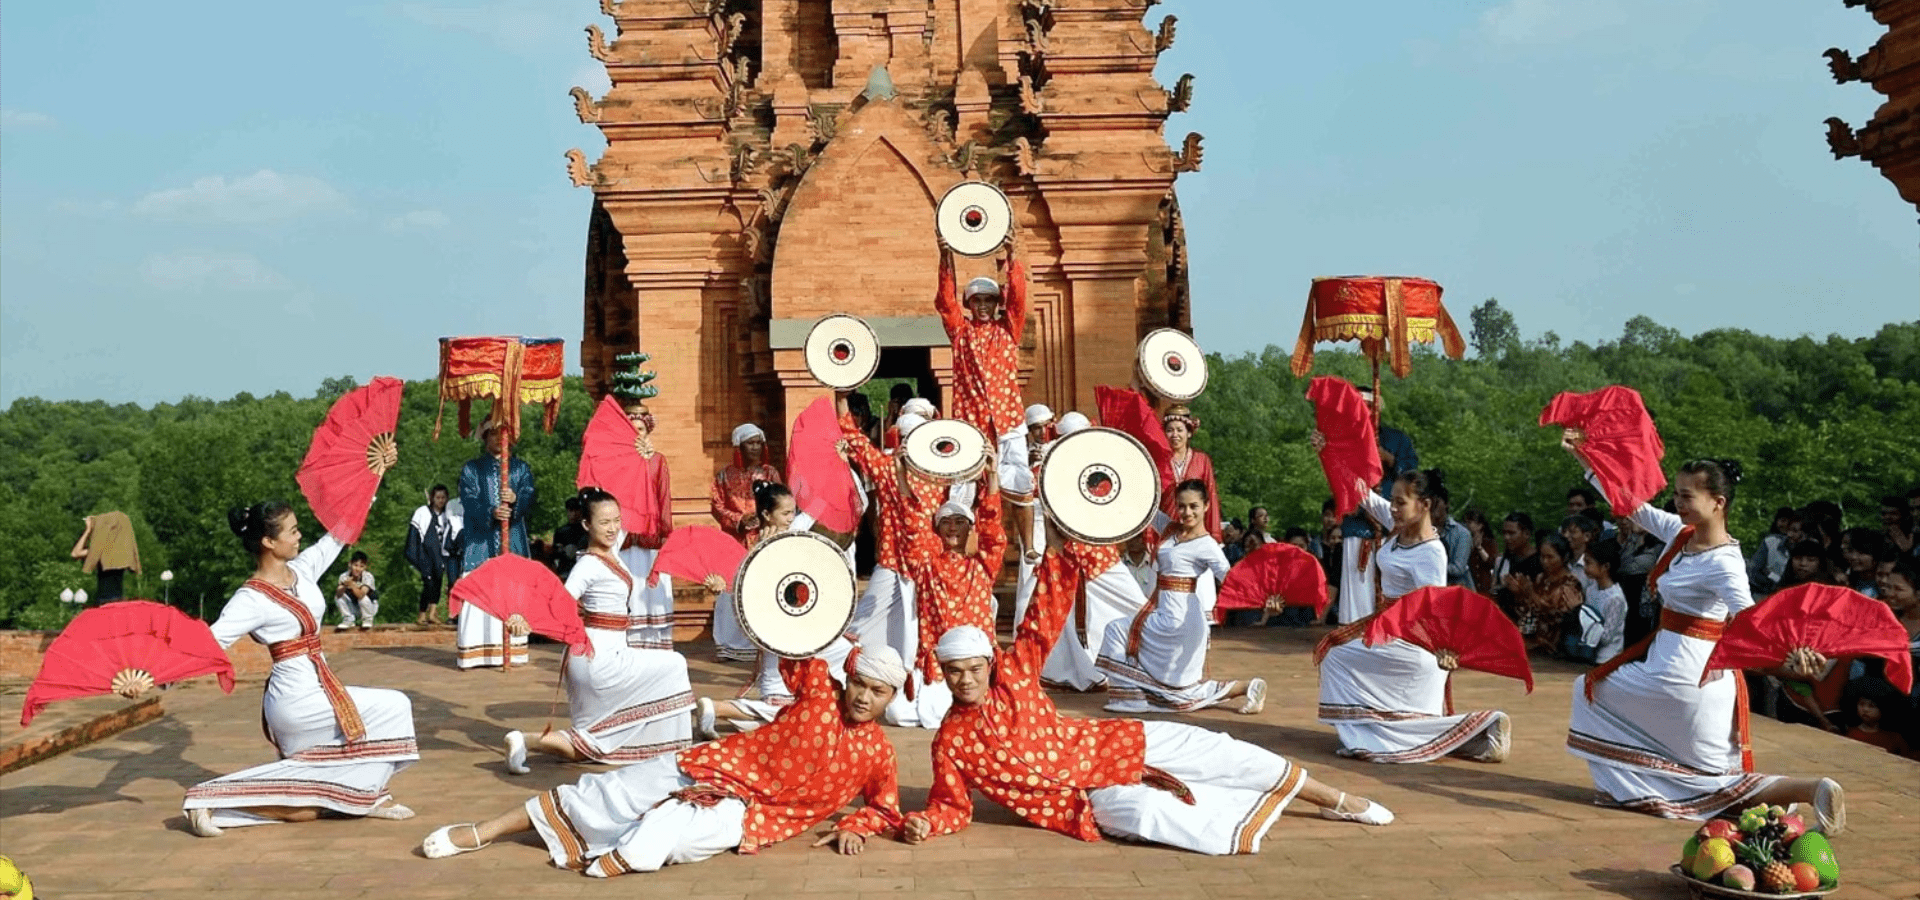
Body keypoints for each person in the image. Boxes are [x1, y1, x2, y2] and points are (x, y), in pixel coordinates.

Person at [904, 544, 1393, 856]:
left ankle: (1337, 800)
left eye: (973, 668)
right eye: (955, 672)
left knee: (1221, 749)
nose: (966, 679)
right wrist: (925, 822)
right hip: (1081, 800)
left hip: (1113, 742)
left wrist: (1063, 542)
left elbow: (1041, 618)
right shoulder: (950, 741)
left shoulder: (1013, 675)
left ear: (989, 663)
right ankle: (1238, 816)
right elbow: (950, 806)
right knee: (1147, 814)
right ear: (943, 673)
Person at [1561, 440, 1847, 828]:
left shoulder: (1725, 562)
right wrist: (1585, 456)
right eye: (1676, 495)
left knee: (1708, 785)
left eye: (1687, 496)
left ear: (1718, 502)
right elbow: (1633, 506)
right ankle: (1809, 788)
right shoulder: (1682, 534)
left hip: (1686, 675)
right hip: (1674, 671)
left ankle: (1810, 788)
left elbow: (1750, 619)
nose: (1678, 503)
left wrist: (1793, 650)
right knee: (1708, 784)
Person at [422, 648, 910, 875]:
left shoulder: (879, 755)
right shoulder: (819, 692)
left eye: (878, 691)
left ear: (892, 696)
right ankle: (482, 831)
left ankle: (619, 848)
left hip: (751, 817)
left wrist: (857, 827)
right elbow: (791, 636)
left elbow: (886, 806)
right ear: (848, 680)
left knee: (664, 841)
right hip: (708, 763)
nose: (864, 697)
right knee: (602, 794)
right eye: (860, 685)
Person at [180, 502, 418, 836]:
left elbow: (338, 535)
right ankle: (206, 796)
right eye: (292, 531)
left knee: (307, 808)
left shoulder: (302, 570)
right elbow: (209, 643)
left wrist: (372, 478)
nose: (299, 535)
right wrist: (152, 677)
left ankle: (361, 796)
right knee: (395, 706)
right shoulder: (250, 598)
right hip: (294, 701)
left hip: (320, 688)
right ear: (269, 542)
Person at [1314, 469, 1514, 764]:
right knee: (1336, 656)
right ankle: (1371, 736)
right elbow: (1358, 490)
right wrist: (1329, 452)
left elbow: (1434, 610)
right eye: (1392, 502)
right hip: (1388, 629)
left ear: (1425, 505)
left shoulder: (1431, 553)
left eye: (1400, 503)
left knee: (1336, 658)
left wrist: (1444, 649)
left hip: (1414, 641)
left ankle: (1482, 724)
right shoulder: (1397, 524)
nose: (1393, 508)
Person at [501, 488, 695, 773]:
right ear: (586, 525)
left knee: (594, 744)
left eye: (617, 520)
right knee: (674, 664)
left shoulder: (613, 549)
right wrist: (527, 621)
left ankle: (524, 740)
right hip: (596, 659)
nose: (613, 528)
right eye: (605, 523)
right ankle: (677, 753)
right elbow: (562, 602)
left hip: (611, 652)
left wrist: (640, 458)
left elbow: (636, 504)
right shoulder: (588, 564)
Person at [1096, 479, 1263, 714]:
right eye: (1182, 506)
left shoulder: (1208, 545)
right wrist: (1119, 477)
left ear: (1206, 506)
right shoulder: (1171, 530)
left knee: (1116, 630)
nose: (1187, 512)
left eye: (1194, 506)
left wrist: (1264, 602)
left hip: (1180, 620)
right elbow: (1147, 510)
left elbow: (1230, 580)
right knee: (1179, 691)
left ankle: (1131, 697)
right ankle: (1248, 687)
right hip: (1164, 612)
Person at [836, 394, 944, 718]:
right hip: (893, 563)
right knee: (862, 624)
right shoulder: (887, 469)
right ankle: (842, 677)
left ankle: (920, 693)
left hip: (929, 568)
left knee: (927, 633)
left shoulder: (941, 475)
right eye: (907, 439)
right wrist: (841, 398)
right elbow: (854, 438)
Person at [934, 241, 1034, 570]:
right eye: (977, 300)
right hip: (971, 426)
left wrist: (1012, 259)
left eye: (989, 299)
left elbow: (1018, 299)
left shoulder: (1008, 331)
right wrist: (946, 256)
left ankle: (1028, 547)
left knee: (1019, 480)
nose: (983, 306)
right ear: (969, 303)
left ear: (997, 303)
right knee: (960, 490)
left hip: (1007, 422)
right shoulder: (960, 333)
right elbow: (945, 302)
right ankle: (953, 557)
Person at [456, 419, 535, 668]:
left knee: (513, 589)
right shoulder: (472, 469)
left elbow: (529, 494)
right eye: (492, 434)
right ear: (485, 437)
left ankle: (514, 649)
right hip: (481, 542)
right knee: (480, 590)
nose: (497, 439)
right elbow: (468, 499)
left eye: (502, 434)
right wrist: (491, 511)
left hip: (513, 539)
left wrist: (515, 500)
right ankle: (476, 651)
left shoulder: (520, 469)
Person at [709, 482, 798, 668]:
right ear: (766, 515)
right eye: (785, 514)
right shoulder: (756, 542)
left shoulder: (796, 536)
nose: (791, 518)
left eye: (793, 512)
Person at [614, 397, 677, 651]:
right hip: (626, 537)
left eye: (639, 429)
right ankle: (629, 642)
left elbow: (664, 498)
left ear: (647, 431)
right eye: (630, 429)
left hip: (652, 537)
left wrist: (664, 535)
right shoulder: (617, 463)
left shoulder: (658, 461)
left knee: (652, 589)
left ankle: (655, 643)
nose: (635, 434)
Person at [710, 423, 783, 548]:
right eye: (750, 443)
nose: (755, 447)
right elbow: (717, 507)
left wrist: (763, 517)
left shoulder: (770, 473)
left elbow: (780, 503)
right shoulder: (724, 475)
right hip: (735, 539)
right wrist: (739, 520)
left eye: (758, 443)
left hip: (764, 537)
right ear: (740, 447)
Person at [1510, 533, 1585, 653]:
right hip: (1532, 641)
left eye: (1550, 557)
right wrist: (1519, 593)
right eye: (1542, 557)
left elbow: (1559, 617)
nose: (1545, 561)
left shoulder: (1571, 584)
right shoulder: (1541, 578)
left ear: (1564, 557)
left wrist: (1531, 594)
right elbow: (1528, 611)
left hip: (1555, 647)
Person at [1162, 406, 1221, 541]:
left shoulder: (1201, 459)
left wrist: (1214, 534)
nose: (1174, 435)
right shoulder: (1158, 460)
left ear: (1188, 433)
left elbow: (1211, 495)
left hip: (1195, 530)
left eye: (1179, 430)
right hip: (1165, 530)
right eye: (1169, 430)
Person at [1564, 541, 1627, 664]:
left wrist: (1579, 610)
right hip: (1589, 655)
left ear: (1605, 567)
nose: (1585, 567)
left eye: (1588, 563)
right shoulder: (1591, 589)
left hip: (1607, 659)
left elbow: (1606, 637)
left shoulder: (1615, 598)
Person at [405, 485, 458, 626]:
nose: (440, 501)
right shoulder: (423, 512)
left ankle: (433, 613)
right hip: (424, 552)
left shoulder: (447, 514)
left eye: (443, 498)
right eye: (438, 498)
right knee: (428, 582)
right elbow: (414, 534)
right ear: (432, 498)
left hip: (439, 553)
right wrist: (413, 554)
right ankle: (422, 613)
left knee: (438, 581)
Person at [70, 512, 140, 605]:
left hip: (103, 599)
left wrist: (88, 530)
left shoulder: (100, 551)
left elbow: (75, 553)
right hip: (119, 599)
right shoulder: (123, 550)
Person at [1491, 512, 1540, 620]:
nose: (1506, 538)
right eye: (1504, 533)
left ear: (1526, 533)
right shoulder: (1506, 559)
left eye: (1511, 533)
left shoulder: (1540, 562)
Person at [332, 551, 379, 632]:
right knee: (338, 597)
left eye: (361, 566)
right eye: (355, 565)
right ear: (350, 564)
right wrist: (344, 586)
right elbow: (338, 594)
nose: (358, 569)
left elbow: (361, 595)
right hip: (354, 606)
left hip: (369, 606)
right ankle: (348, 619)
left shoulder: (368, 577)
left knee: (363, 598)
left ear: (365, 567)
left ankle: (367, 619)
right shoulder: (344, 576)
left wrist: (352, 585)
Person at [1434, 487, 1471, 588]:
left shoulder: (1462, 533)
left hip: (1457, 590)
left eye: (1437, 502)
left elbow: (1458, 568)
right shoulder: (1421, 531)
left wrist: (1430, 566)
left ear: (1446, 504)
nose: (1433, 506)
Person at [549, 495, 590, 582]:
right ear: (567, 511)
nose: (574, 514)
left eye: (577, 510)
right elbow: (554, 554)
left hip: (584, 570)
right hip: (565, 571)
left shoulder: (588, 531)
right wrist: (562, 550)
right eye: (571, 510)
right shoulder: (561, 532)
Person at [1461, 508, 1497, 596]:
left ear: (1480, 525)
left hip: (1484, 585)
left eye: (1470, 523)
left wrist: (1479, 548)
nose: (1467, 525)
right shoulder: (1465, 540)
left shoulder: (1489, 542)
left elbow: (1492, 563)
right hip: (1469, 583)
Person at [1839, 528, 1884, 599]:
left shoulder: (1887, 586)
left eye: (1861, 553)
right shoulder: (1843, 582)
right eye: (1849, 551)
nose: (1854, 557)